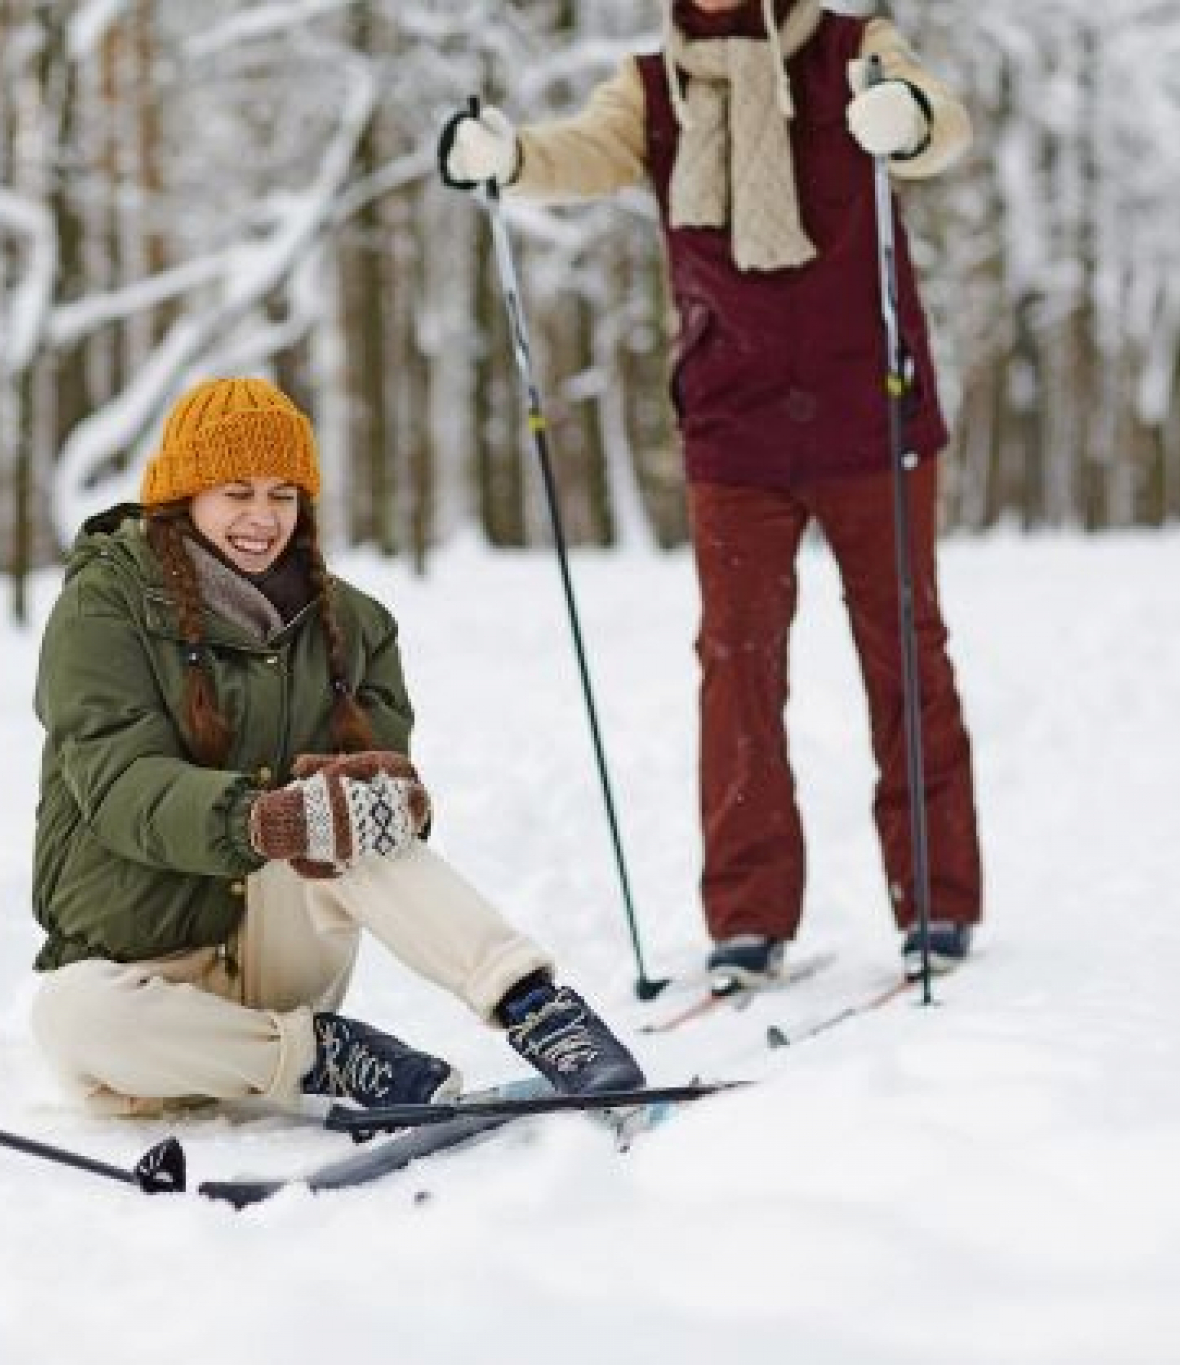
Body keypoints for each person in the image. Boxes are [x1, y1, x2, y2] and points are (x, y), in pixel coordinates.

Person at [436, 0, 984, 985]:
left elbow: (941, 121)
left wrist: (905, 116)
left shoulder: (851, 50)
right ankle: (746, 915)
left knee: (903, 644)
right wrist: (507, 154)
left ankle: (936, 900)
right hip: (732, 423)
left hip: (871, 411)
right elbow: (582, 151)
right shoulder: (652, 87)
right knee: (734, 667)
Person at [27, 375, 645, 1117]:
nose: (262, 517)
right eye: (237, 491)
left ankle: (537, 1008)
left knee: (354, 816)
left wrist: (392, 798)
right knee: (68, 1018)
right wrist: (262, 819)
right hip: (147, 991)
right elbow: (119, 781)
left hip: (279, 953)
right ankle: (323, 1055)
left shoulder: (353, 627)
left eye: (283, 494)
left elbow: (381, 799)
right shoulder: (104, 606)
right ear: (184, 493)